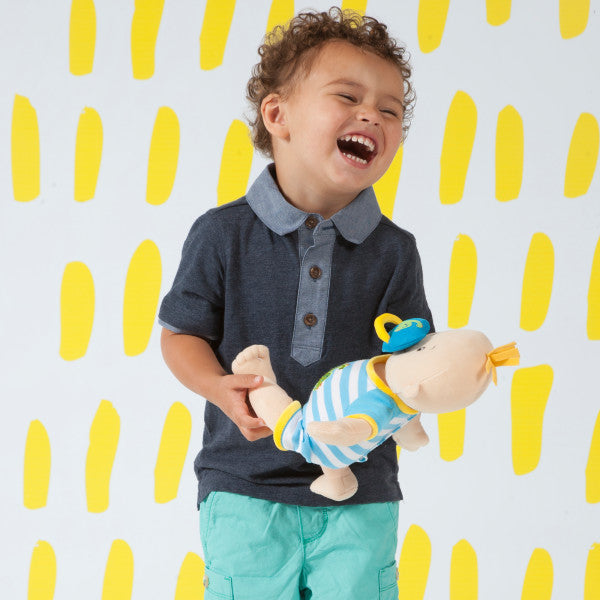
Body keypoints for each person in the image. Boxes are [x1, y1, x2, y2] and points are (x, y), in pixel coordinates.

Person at [159, 7, 433, 599]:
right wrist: (215, 387)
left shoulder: (394, 250)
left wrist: (443, 367)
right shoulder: (221, 233)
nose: (373, 115)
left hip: (361, 486)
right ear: (278, 115)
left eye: (390, 109)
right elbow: (180, 334)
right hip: (243, 484)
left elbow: (412, 361)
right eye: (349, 96)